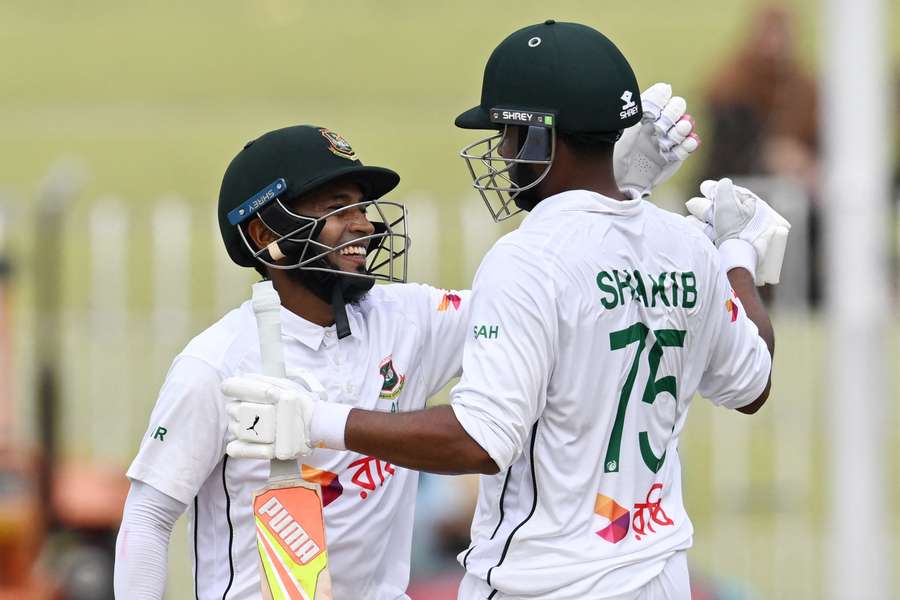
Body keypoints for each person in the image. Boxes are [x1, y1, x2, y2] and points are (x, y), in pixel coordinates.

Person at [222, 21, 788, 600]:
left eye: (510, 133)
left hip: (545, 581)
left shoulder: (527, 257)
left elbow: (480, 441)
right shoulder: (689, 247)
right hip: (659, 572)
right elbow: (753, 381)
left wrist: (317, 419)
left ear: (544, 138)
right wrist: (737, 252)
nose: (501, 150)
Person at [115, 106, 697, 598]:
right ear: (264, 234)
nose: (363, 225)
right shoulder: (214, 364)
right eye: (335, 209)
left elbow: (553, 303)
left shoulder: (409, 320)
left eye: (361, 207)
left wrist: (617, 190)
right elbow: (148, 517)